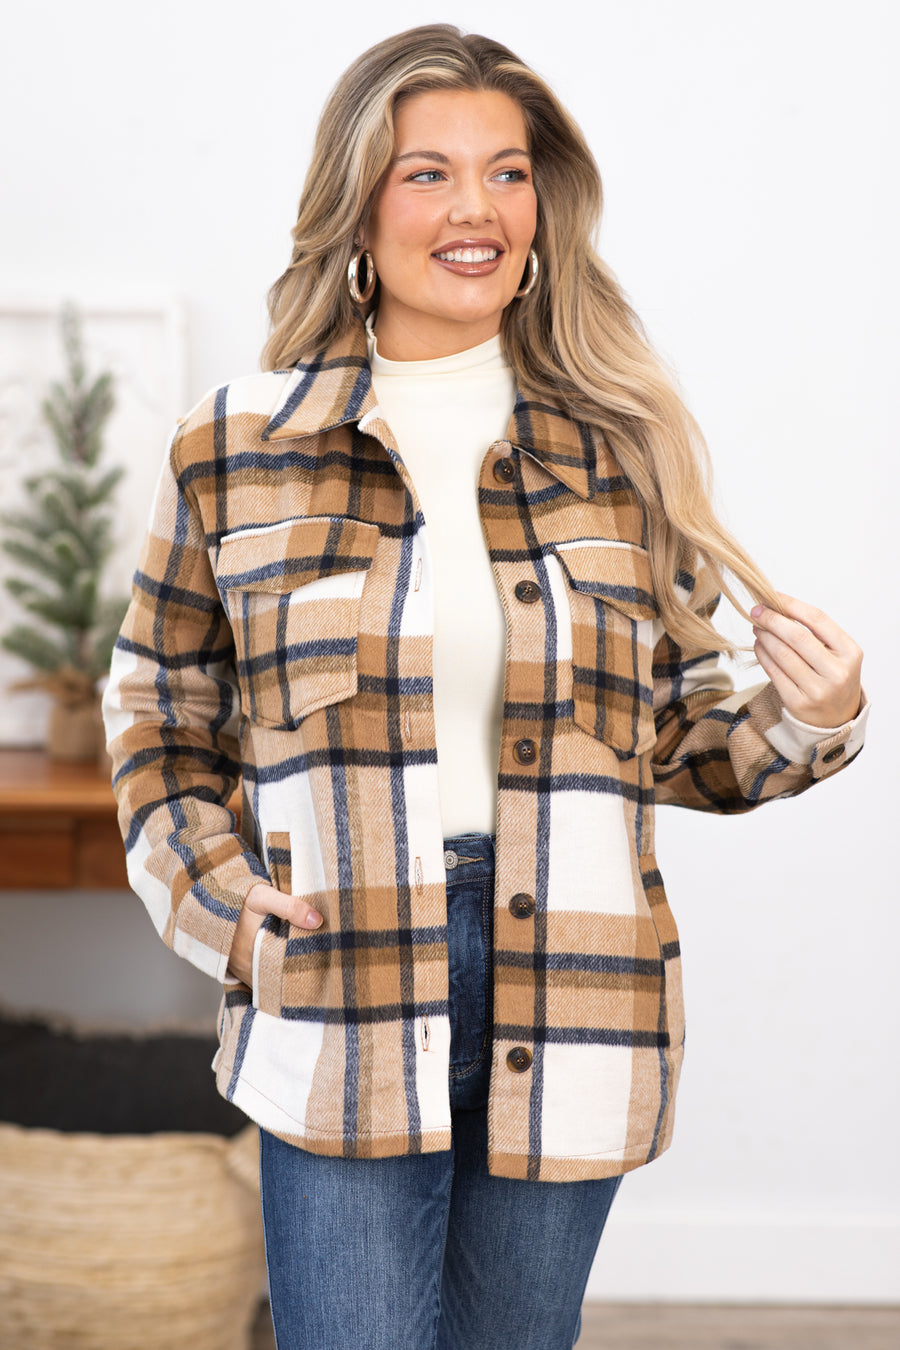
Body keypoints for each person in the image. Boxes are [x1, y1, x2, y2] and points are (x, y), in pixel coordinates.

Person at [102, 24, 867, 1350]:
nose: (477, 209)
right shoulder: (234, 445)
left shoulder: (619, 450)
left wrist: (815, 714)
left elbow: (679, 740)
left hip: (574, 996)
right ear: (359, 208)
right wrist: (223, 907)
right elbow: (157, 714)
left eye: (508, 174)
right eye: (429, 174)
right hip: (338, 982)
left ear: (544, 207)